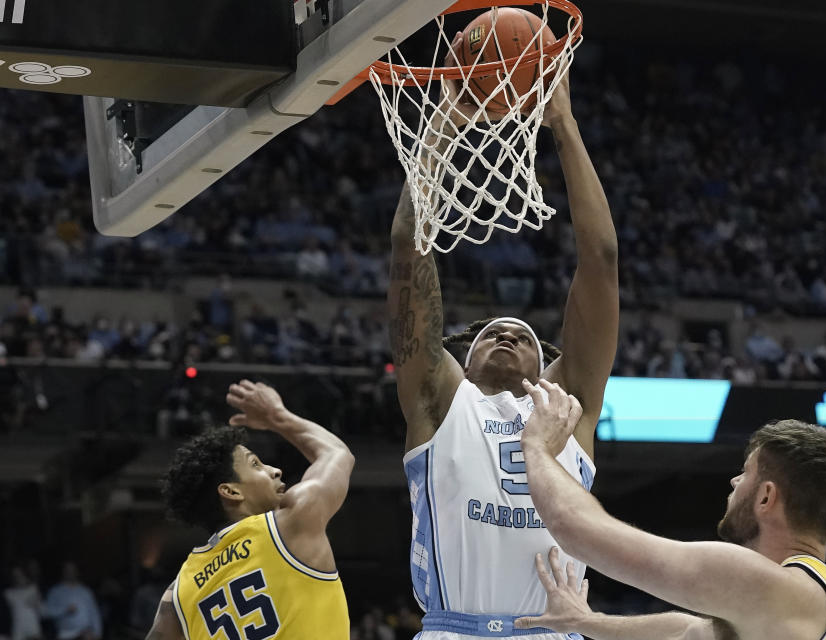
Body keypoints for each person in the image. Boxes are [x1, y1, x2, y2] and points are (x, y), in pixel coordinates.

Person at [388, 36, 619, 639]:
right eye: (492, 333)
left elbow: (601, 259)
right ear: (461, 359)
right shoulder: (441, 402)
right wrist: (442, 123)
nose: (508, 334)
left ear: (549, 370)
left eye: (522, 335)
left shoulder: (569, 408)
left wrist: (564, 126)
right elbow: (409, 254)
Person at [517, 379, 826, 640]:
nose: (734, 482)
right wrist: (587, 622)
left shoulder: (778, 588)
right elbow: (687, 631)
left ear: (766, 498)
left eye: (746, 473)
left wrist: (537, 446)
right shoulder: (809, 603)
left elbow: (577, 529)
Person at [144, 380, 354, 639]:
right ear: (231, 491)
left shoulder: (177, 594)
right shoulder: (292, 522)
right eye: (256, 465)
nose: (274, 470)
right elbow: (336, 454)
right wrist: (278, 417)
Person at [43, 562, 102, 640]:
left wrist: (97, 633)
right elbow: (46, 612)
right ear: (63, 572)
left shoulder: (85, 591)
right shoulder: (55, 591)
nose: (70, 573)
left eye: (73, 570)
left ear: (77, 572)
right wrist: (64, 610)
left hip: (86, 634)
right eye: (67, 570)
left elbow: (94, 613)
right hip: (65, 634)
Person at [4, 566, 42, 640]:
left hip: (34, 630)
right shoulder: (8, 593)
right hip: (18, 631)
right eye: (15, 576)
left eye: (21, 575)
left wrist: (38, 604)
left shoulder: (33, 589)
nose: (19, 578)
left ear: (25, 575)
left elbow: (41, 612)